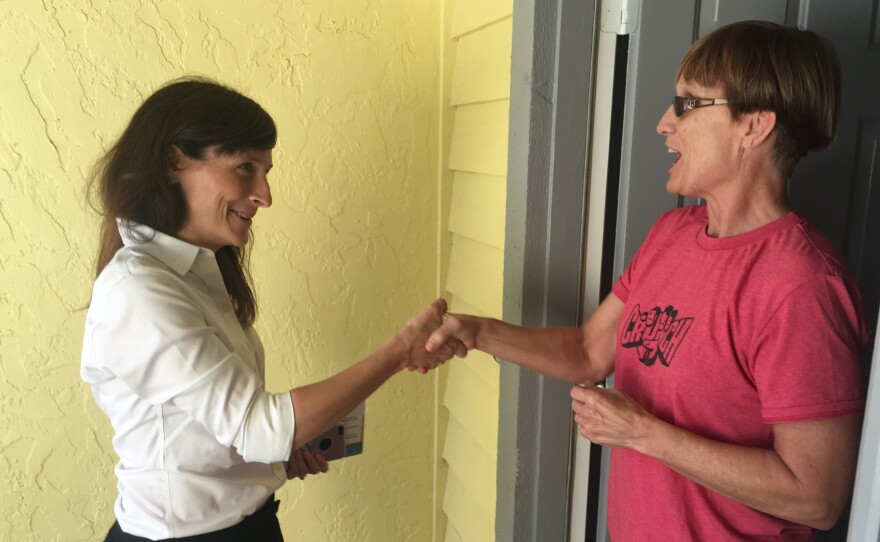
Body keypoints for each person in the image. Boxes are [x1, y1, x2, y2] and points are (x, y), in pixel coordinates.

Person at [427, 20, 871, 540]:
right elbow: (588, 350)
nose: (664, 123)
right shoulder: (671, 234)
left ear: (754, 126)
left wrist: (642, 434)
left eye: (687, 104)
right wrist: (476, 332)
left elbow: (816, 497)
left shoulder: (804, 286)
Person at [81, 77, 458, 541]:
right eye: (245, 167)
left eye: (265, 171)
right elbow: (258, 426)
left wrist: (273, 459)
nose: (265, 195)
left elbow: (216, 425)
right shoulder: (140, 291)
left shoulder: (193, 274)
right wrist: (400, 350)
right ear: (175, 161)